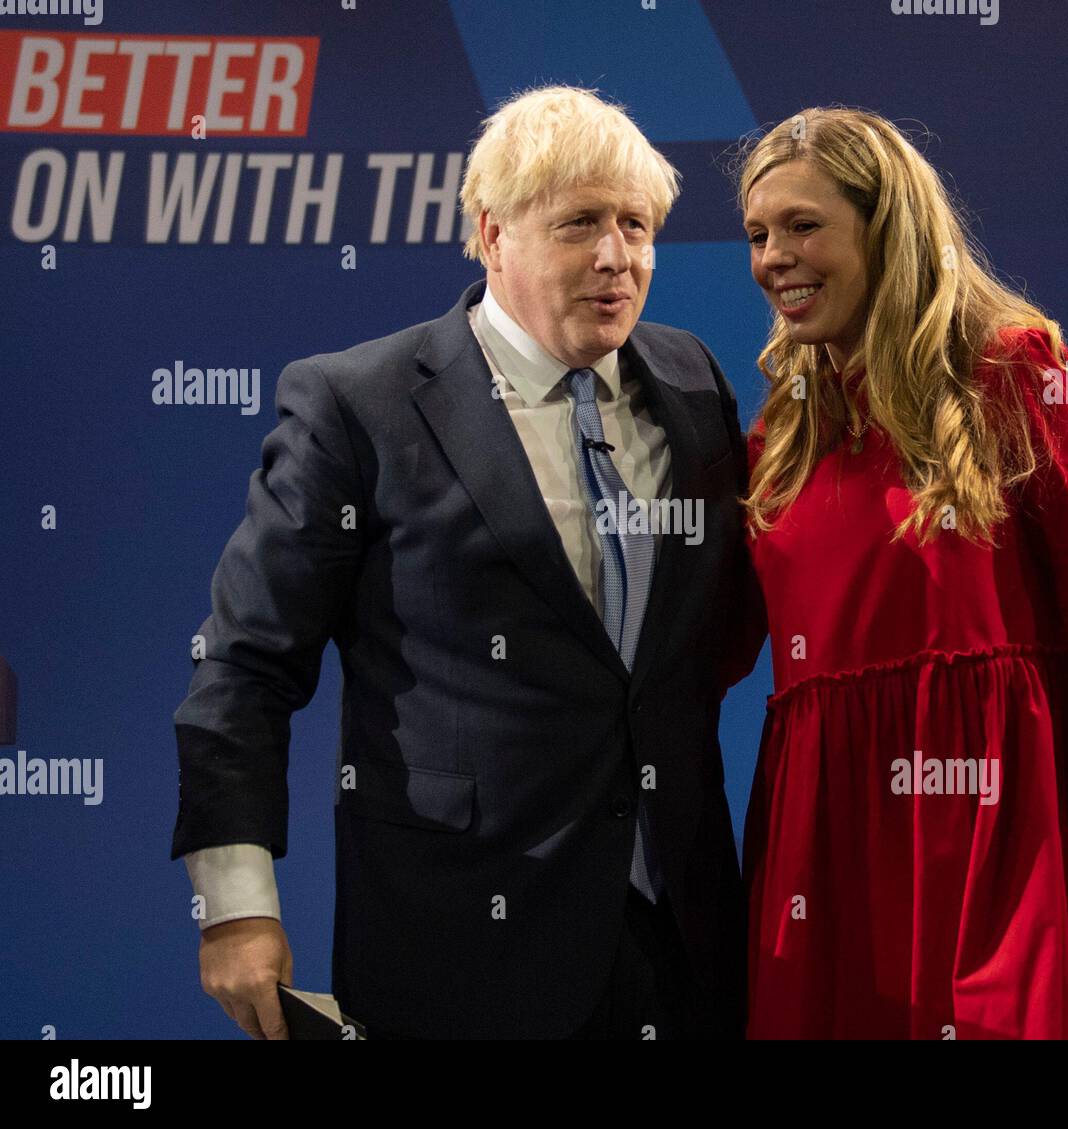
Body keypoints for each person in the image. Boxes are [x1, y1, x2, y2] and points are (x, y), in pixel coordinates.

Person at [171, 85, 752, 1040]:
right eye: (579, 225)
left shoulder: (693, 381)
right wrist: (236, 904)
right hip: (457, 949)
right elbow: (243, 665)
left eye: (636, 225)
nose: (617, 257)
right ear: (491, 232)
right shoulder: (359, 403)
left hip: (679, 946)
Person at [727, 108, 1068, 1038]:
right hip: (825, 853)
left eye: (804, 225)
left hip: (997, 838)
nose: (775, 256)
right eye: (757, 233)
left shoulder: (1014, 367)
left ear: (884, 225)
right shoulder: (779, 436)